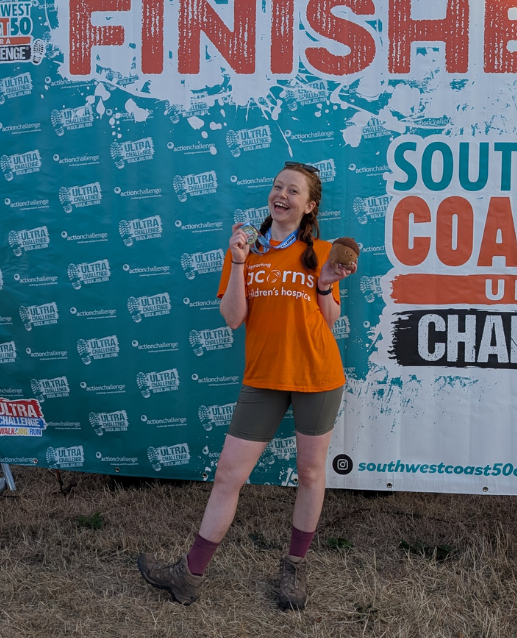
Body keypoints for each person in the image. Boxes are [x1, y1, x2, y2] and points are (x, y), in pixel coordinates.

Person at [138, 161, 356, 609]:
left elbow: (330, 320)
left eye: (293, 190)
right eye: (277, 186)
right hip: (263, 377)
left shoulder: (324, 251)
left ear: (309, 205)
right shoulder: (245, 247)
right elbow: (234, 318)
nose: (281, 195)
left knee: (310, 473)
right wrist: (238, 262)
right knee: (228, 475)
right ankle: (189, 575)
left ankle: (293, 568)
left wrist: (324, 286)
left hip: (317, 377)